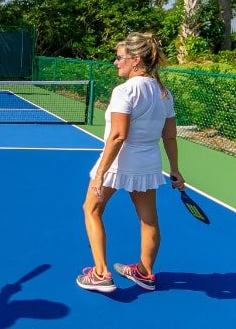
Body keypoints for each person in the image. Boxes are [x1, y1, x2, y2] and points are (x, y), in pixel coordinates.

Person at [75, 32, 185, 294]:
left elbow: (118, 135)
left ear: (136, 60)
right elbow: (169, 135)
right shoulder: (163, 92)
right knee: (149, 220)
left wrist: (101, 172)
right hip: (148, 162)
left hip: (119, 161)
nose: (116, 62)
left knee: (91, 209)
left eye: (120, 57)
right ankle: (145, 273)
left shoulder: (124, 91)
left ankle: (101, 273)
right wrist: (175, 170)